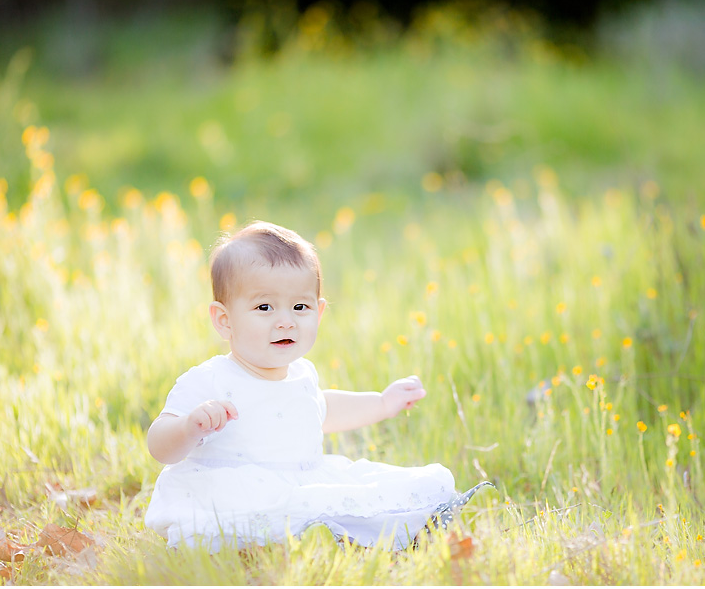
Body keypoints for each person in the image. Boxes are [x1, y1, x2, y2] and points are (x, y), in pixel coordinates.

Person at [144, 221, 483, 552]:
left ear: (319, 313)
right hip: (235, 493)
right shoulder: (211, 379)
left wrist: (382, 402)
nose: (286, 320)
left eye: (300, 306)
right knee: (278, 520)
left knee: (351, 499)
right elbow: (160, 445)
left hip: (301, 482)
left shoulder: (302, 374)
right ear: (224, 320)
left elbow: (322, 409)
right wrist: (190, 428)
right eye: (264, 307)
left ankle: (412, 524)